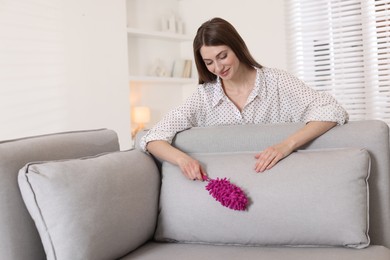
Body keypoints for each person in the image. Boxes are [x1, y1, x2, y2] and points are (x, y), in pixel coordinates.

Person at [140, 17, 348, 181]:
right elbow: (152, 137)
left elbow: (331, 109)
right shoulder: (204, 97)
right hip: (230, 190)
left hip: (280, 181)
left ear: (236, 47)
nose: (218, 68)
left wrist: (286, 145)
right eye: (209, 62)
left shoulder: (276, 81)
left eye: (223, 56)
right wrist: (183, 160)